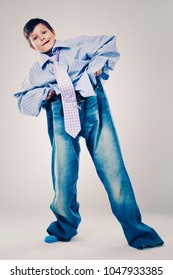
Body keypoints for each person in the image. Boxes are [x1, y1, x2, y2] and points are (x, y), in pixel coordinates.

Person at [14, 18, 164, 249]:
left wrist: (95, 69)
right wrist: (47, 93)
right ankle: (64, 227)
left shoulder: (78, 45)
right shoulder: (36, 71)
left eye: (44, 31)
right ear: (31, 46)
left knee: (113, 170)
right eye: (35, 37)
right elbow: (22, 100)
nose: (42, 37)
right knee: (63, 175)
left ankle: (138, 233)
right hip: (61, 113)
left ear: (53, 31)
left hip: (92, 105)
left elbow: (108, 43)